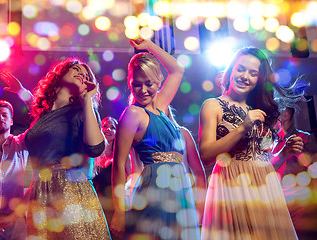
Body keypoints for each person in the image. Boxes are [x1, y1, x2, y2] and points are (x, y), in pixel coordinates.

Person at [0, 58, 111, 239]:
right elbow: (41, 173)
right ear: (59, 74)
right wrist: (14, 214)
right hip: (40, 195)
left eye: (86, 74)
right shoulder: (42, 117)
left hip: (71, 192)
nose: (82, 74)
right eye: (76, 69)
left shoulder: (82, 111)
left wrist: (88, 100)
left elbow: (96, 149)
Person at [199, 47, 304, 240]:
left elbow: (264, 162)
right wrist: (242, 128)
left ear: (259, 79)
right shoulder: (212, 105)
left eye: (253, 73)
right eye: (240, 69)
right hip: (231, 187)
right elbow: (205, 156)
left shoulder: (262, 110)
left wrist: (284, 153)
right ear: (231, 70)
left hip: (265, 188)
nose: (245, 76)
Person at [111, 37, 201, 240]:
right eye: (136, 85)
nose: (143, 90)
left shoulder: (161, 106)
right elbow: (118, 166)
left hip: (180, 188)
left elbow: (177, 69)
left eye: (149, 83)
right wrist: (119, 211)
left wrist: (149, 46)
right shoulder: (133, 114)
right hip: (154, 189)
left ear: (159, 81)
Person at [0, 100, 28, 240]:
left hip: (15, 218)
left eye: (4, 115)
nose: (0, 118)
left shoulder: (22, 142)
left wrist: (22, 92)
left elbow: (41, 118)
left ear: (12, 121)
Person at [273, 107, 317, 236]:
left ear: (285, 115)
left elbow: (311, 166)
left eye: (275, 112)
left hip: (299, 199)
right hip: (276, 197)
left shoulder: (305, 137)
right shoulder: (271, 139)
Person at [167, 106, 207, 227]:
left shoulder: (182, 133)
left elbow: (199, 173)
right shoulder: (140, 135)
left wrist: (200, 209)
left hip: (182, 200)